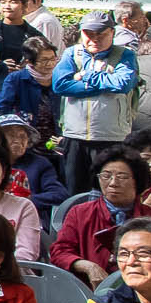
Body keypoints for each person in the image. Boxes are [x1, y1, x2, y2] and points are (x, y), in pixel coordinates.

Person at [52, 11, 140, 194]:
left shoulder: (125, 55)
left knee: (108, 190)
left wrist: (85, 76)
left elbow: (122, 84)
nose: (94, 39)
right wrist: (102, 83)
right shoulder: (71, 54)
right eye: (89, 33)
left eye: (101, 34)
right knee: (74, 190)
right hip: (75, 136)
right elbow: (60, 85)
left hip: (112, 137)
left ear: (112, 33)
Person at [51, 148, 151, 284]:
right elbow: (59, 252)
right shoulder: (80, 213)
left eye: (122, 177)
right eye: (106, 175)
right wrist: (88, 266)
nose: (113, 183)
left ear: (137, 181)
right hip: (90, 292)